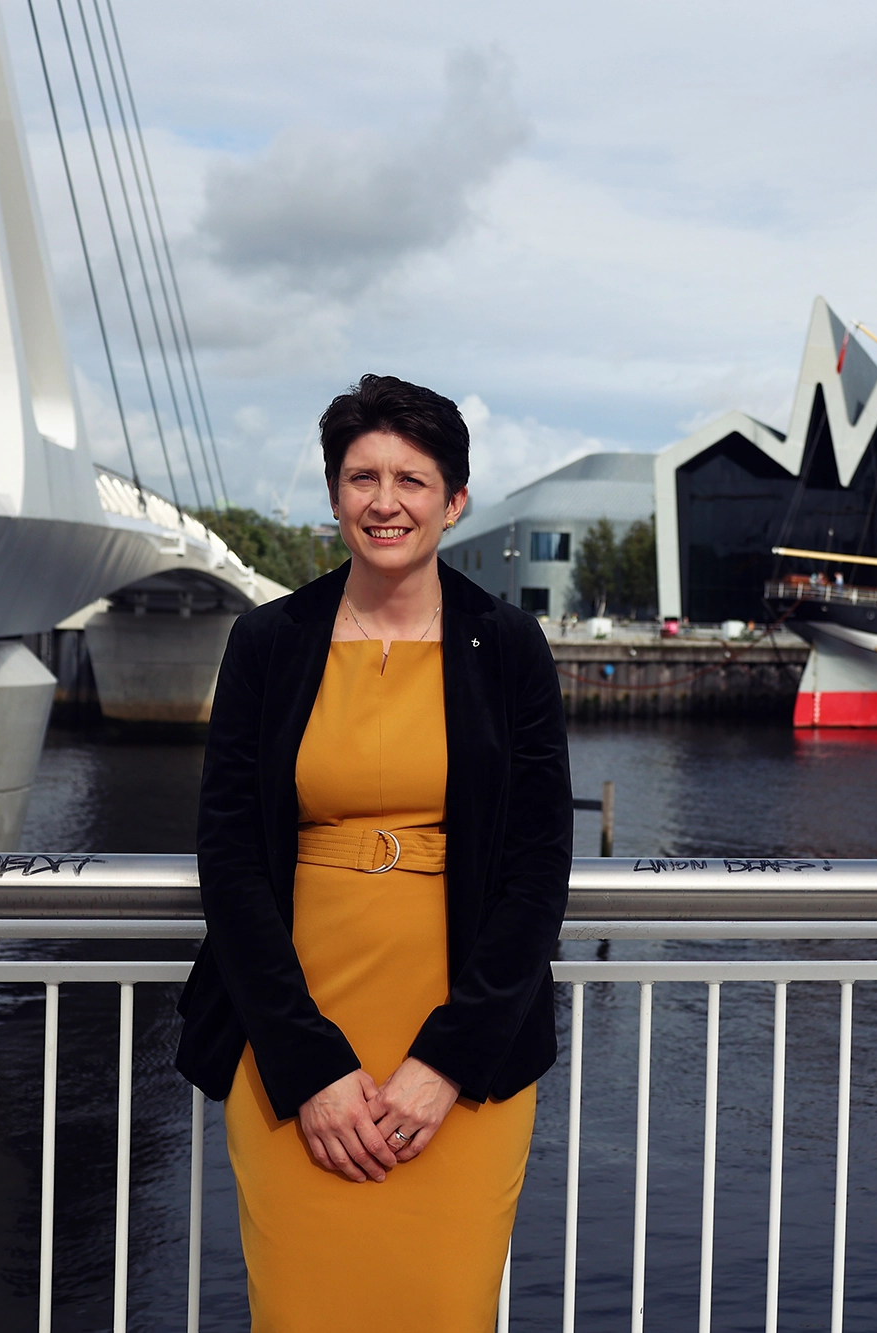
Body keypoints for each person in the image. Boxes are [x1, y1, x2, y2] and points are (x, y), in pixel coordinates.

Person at [175, 374, 572, 1330]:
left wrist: (447, 1062)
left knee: (444, 1306)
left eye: (411, 478)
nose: (384, 501)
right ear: (333, 492)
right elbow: (227, 855)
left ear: (455, 500)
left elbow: (536, 866)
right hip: (291, 1049)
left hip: (461, 1060)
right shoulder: (267, 641)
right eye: (361, 477)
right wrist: (308, 1066)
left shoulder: (507, 644)